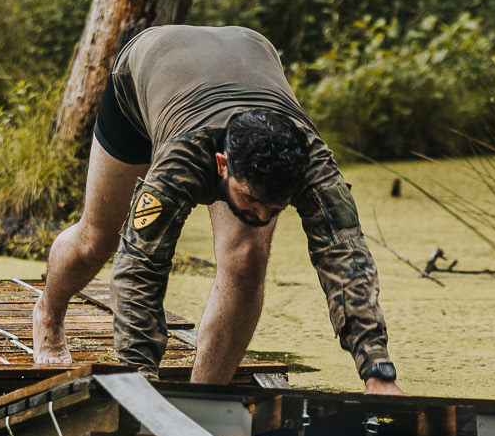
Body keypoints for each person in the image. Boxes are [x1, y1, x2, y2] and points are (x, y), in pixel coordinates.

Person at [31, 24, 403, 394]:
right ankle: (48, 313)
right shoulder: (181, 162)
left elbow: (347, 260)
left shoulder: (315, 168)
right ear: (222, 165)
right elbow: (140, 266)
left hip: (249, 53)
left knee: (247, 258)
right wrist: (141, 381)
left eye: (276, 207)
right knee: (97, 240)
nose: (261, 217)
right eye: (253, 201)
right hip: (145, 72)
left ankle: (205, 398)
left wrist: (377, 372)